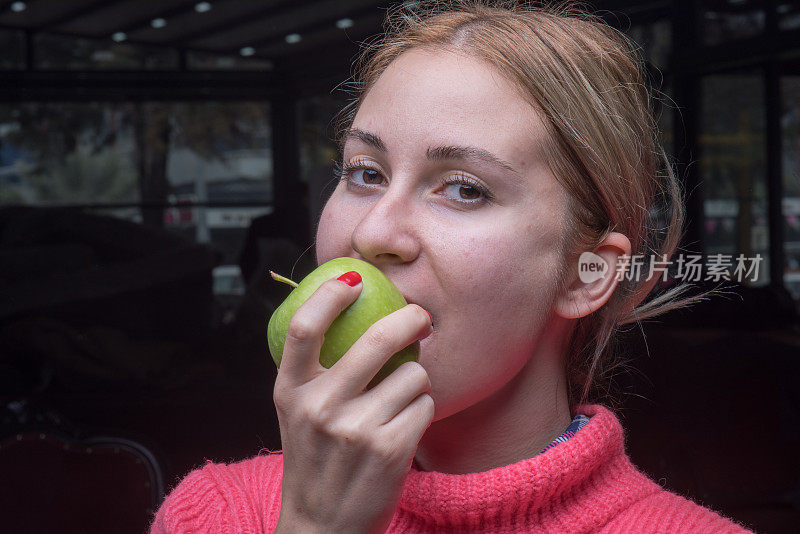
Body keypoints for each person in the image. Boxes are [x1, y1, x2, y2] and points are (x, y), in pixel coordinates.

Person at [150, 2, 754, 532]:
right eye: (365, 173)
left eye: (464, 189)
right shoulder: (221, 513)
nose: (373, 232)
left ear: (584, 274)